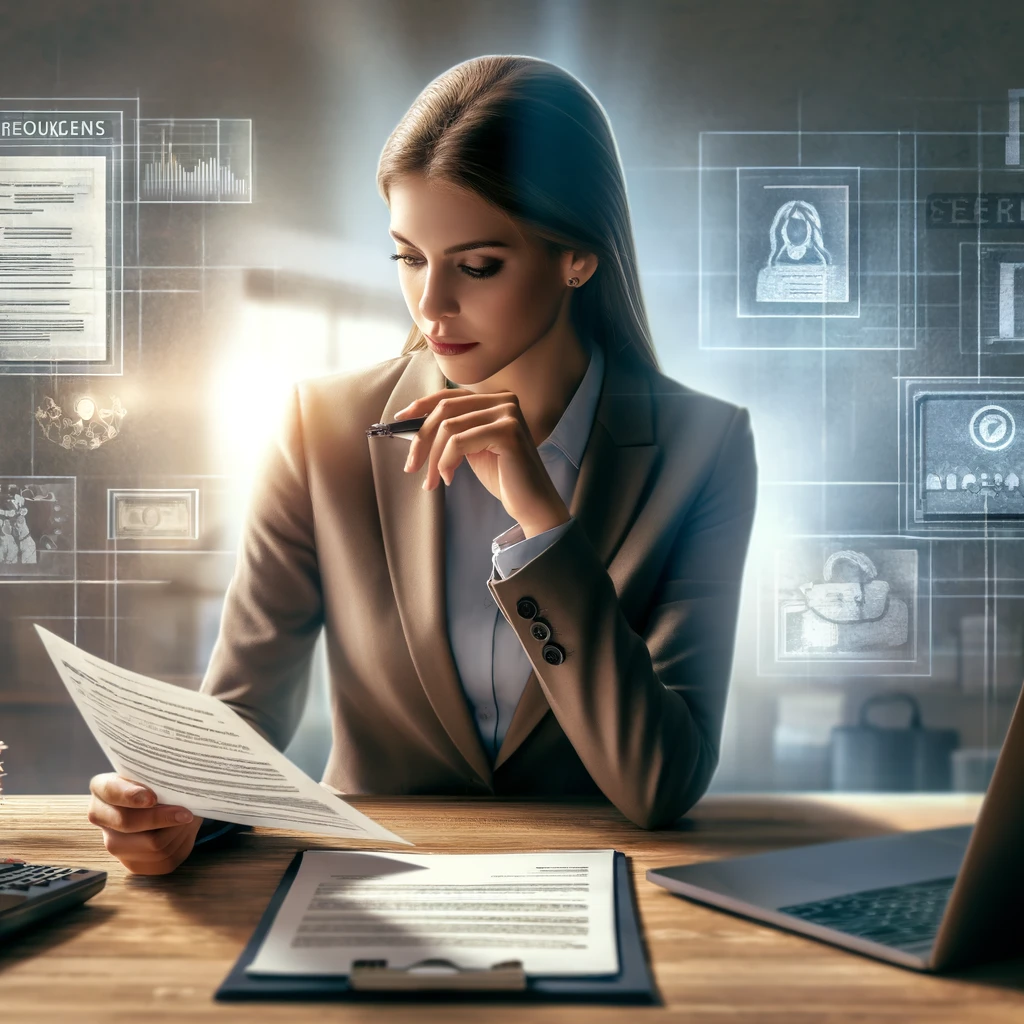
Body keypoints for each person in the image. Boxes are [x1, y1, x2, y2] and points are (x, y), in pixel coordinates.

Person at [87, 54, 758, 874]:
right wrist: (178, 808)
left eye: (477, 266)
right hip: (359, 885)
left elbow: (661, 781)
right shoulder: (322, 427)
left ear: (577, 258)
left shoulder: (703, 449)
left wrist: (546, 530)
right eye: (409, 258)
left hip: (601, 886)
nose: (432, 306)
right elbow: (242, 712)